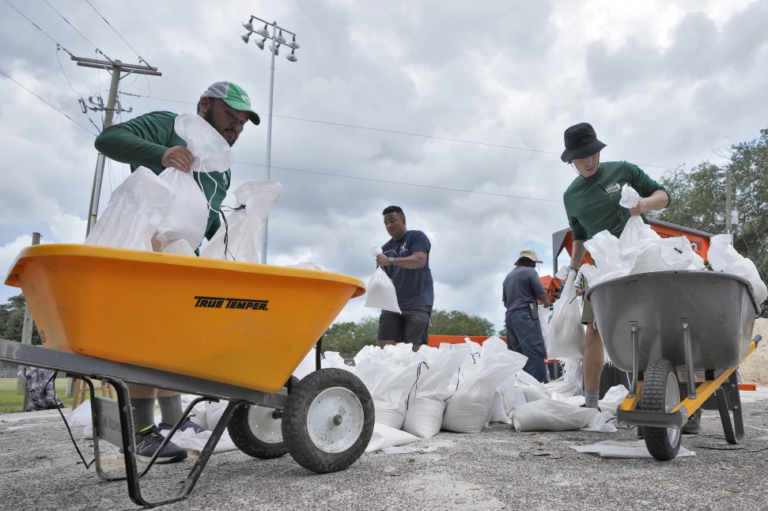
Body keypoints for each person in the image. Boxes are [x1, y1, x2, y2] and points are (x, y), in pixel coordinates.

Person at [94, 81, 260, 462]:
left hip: (183, 257)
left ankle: (174, 420)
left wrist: (236, 236)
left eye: (240, 123)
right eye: (228, 116)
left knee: (172, 338)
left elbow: (206, 221)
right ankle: (140, 429)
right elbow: (109, 140)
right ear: (205, 105)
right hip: (144, 244)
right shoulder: (171, 125)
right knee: (145, 335)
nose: (234, 127)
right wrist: (162, 152)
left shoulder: (220, 169)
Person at [560, 123, 700, 433]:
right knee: (594, 330)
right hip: (603, 269)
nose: (589, 160)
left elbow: (664, 196)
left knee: (665, 329)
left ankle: (684, 403)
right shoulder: (571, 197)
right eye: (582, 157)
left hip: (642, 258)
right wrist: (572, 269)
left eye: (593, 153)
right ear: (571, 159)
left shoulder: (622, 170)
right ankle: (591, 403)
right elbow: (580, 235)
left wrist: (644, 204)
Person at [375, 206, 434, 352]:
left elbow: (419, 260)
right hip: (391, 304)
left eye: (392, 221)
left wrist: (390, 260)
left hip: (417, 302)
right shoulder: (384, 249)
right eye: (385, 223)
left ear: (403, 221)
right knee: (384, 347)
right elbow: (384, 280)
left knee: (413, 349)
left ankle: (414, 374)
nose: (389, 225)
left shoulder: (416, 237)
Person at [502, 249, 551, 383]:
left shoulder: (508, 277)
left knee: (517, 355)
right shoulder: (530, 272)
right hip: (526, 316)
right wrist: (547, 303)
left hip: (510, 318)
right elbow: (541, 293)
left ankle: (520, 389)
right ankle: (541, 389)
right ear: (527, 260)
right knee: (534, 352)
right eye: (534, 262)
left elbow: (505, 303)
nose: (535, 266)